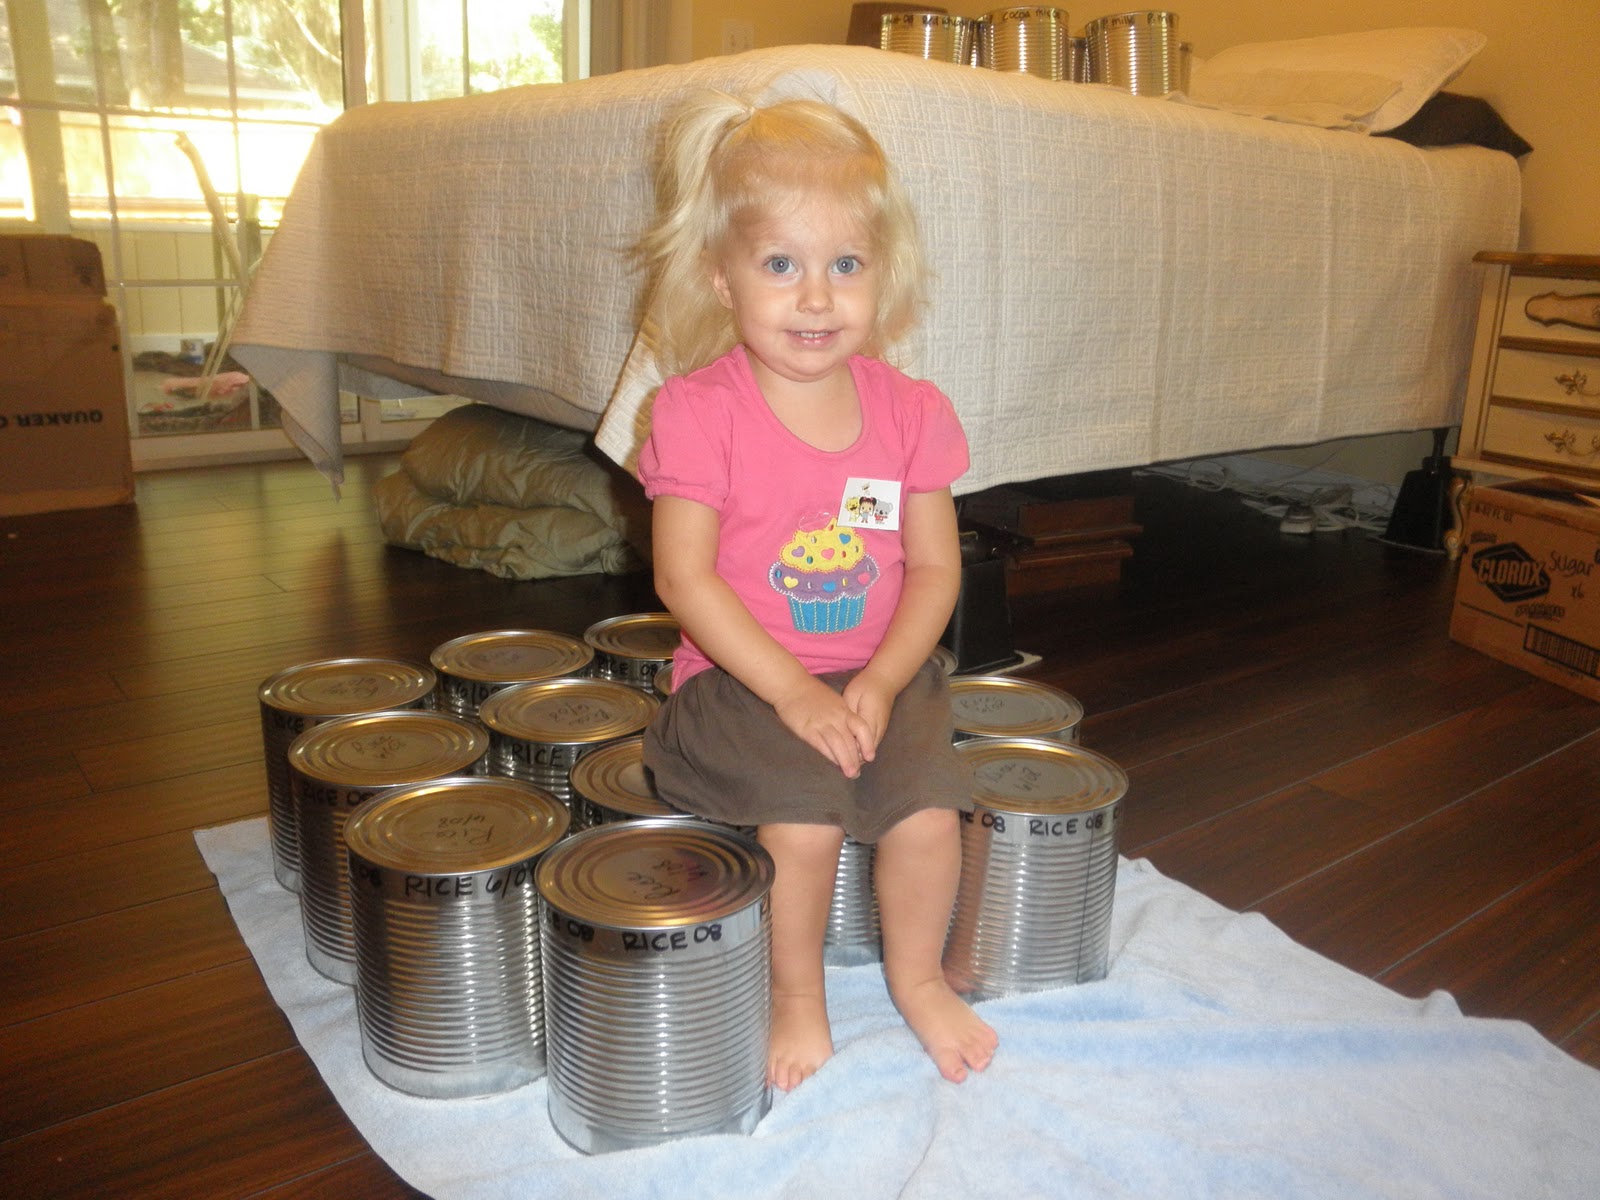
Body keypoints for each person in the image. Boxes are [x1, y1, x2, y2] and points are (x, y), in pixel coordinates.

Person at [635, 90, 998, 1092]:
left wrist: (882, 681)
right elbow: (684, 576)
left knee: (928, 815)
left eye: (846, 264)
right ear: (721, 276)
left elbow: (933, 567)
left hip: (877, 671)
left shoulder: (912, 411)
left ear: (884, 276)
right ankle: (796, 1000)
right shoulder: (696, 411)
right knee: (803, 822)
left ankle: (917, 980)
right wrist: (794, 692)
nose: (815, 297)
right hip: (744, 677)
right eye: (780, 264)